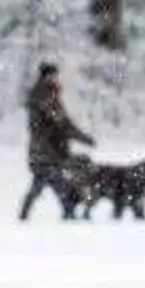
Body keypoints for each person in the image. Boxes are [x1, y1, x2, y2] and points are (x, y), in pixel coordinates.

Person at [18, 63, 95, 221]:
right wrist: (82, 137)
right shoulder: (45, 96)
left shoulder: (44, 94)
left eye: (55, 75)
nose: (56, 78)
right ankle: (69, 215)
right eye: (53, 75)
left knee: (42, 184)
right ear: (46, 76)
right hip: (47, 151)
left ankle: (23, 217)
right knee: (59, 184)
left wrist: (78, 135)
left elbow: (62, 122)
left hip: (44, 151)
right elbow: (62, 122)